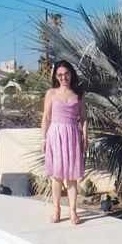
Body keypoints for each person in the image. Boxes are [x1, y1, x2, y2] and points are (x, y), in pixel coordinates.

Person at [41, 60, 88, 225]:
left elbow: (84, 119)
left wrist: (85, 138)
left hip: (73, 136)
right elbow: (46, 117)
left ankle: (73, 211)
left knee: (72, 176)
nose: (63, 77)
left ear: (71, 74)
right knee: (58, 175)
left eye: (66, 74)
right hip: (56, 135)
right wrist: (44, 139)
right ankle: (56, 209)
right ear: (56, 76)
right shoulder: (51, 93)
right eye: (60, 75)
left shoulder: (78, 95)